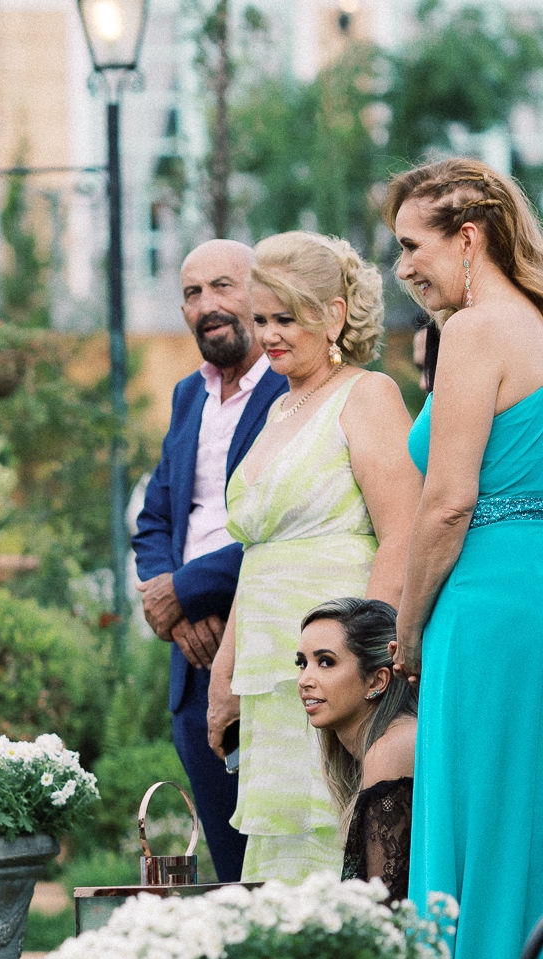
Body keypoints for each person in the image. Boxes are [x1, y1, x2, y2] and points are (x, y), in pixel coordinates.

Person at [384, 156, 543, 959]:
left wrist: (400, 628)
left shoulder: (476, 330)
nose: (403, 268)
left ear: (470, 234)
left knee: (480, 842)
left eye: (413, 244)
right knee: (527, 840)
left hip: (485, 606)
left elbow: (445, 502)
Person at [205, 231, 421, 885]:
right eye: (261, 319)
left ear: (332, 314)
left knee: (338, 822)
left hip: (339, 653)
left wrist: (367, 657)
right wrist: (226, 666)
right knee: (282, 836)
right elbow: (258, 551)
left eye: (285, 318)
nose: (268, 335)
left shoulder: (368, 394)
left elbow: (404, 532)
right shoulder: (277, 407)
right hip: (272, 664)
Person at [134, 240, 287, 882]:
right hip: (191, 657)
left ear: (262, 294)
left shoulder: (289, 390)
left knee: (278, 847)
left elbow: (284, 525)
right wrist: (171, 609)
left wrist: (188, 591)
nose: (207, 306)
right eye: (193, 293)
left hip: (264, 638)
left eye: (223, 287)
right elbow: (155, 520)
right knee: (228, 865)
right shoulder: (186, 396)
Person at [294, 598, 416, 902]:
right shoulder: (378, 746)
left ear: (376, 680)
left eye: (326, 662)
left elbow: (384, 907)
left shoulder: (392, 748)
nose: (305, 680)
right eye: (302, 663)